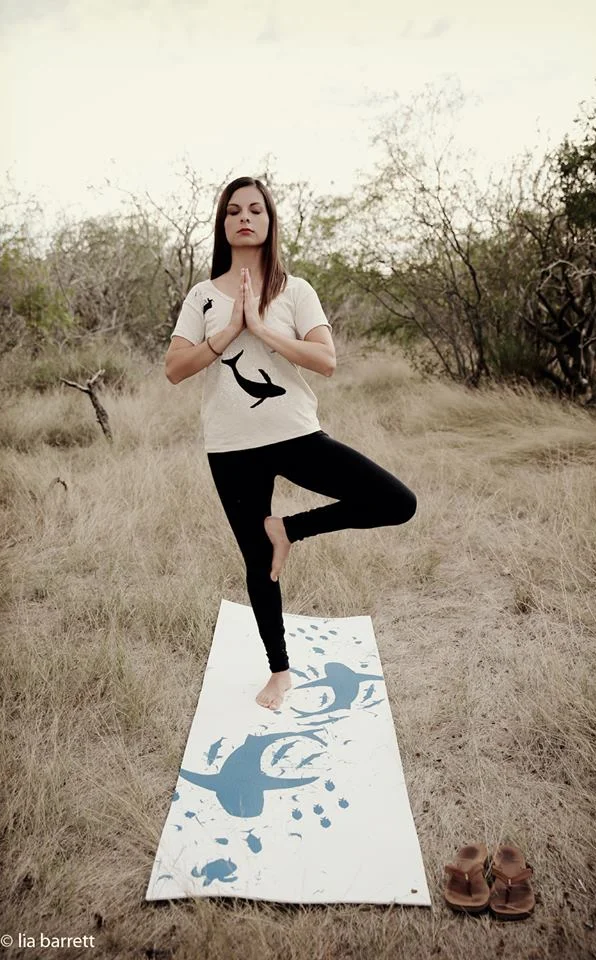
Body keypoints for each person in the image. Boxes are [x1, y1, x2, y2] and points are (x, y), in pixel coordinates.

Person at [165, 176, 417, 711]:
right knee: (258, 563)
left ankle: (289, 529)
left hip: (296, 434)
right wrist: (228, 330)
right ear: (223, 224)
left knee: (397, 501)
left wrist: (259, 324)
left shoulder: (295, 290)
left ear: (270, 220)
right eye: (233, 211)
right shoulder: (202, 296)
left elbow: (326, 361)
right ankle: (279, 671)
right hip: (231, 447)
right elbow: (174, 369)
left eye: (255, 209)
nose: (245, 218)